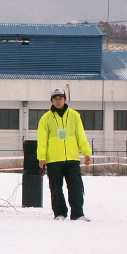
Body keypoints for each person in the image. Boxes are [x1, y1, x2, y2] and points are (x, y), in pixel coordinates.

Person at [37, 87, 92, 221]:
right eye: (55, 99)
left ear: (65, 99)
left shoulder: (74, 115)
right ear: (51, 101)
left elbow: (81, 135)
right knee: (56, 188)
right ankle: (60, 213)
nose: (58, 101)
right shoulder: (45, 118)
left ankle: (78, 214)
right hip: (54, 159)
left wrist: (86, 153)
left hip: (72, 158)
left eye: (60, 98)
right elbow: (42, 139)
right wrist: (42, 157)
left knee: (76, 187)